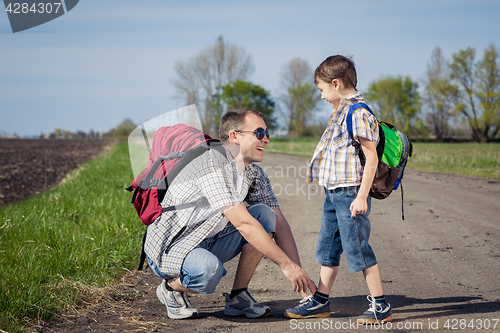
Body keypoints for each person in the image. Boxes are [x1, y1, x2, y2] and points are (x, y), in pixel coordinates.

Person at [145, 108, 316, 319]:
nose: (266, 139)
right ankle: (171, 288)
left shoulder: (253, 173)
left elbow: (278, 223)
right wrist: (286, 266)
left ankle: (238, 297)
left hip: (208, 239)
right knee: (208, 272)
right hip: (172, 246)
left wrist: (299, 275)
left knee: (265, 216)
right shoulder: (211, 163)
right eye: (259, 133)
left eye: (267, 133)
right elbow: (243, 223)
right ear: (234, 136)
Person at [284, 55, 392, 324]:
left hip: (350, 194)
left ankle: (380, 304)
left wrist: (362, 197)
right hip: (333, 192)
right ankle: (320, 301)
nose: (321, 96)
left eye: (321, 89)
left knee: (358, 248)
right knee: (328, 248)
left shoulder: (359, 114)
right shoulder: (341, 112)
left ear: (336, 84)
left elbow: (372, 159)